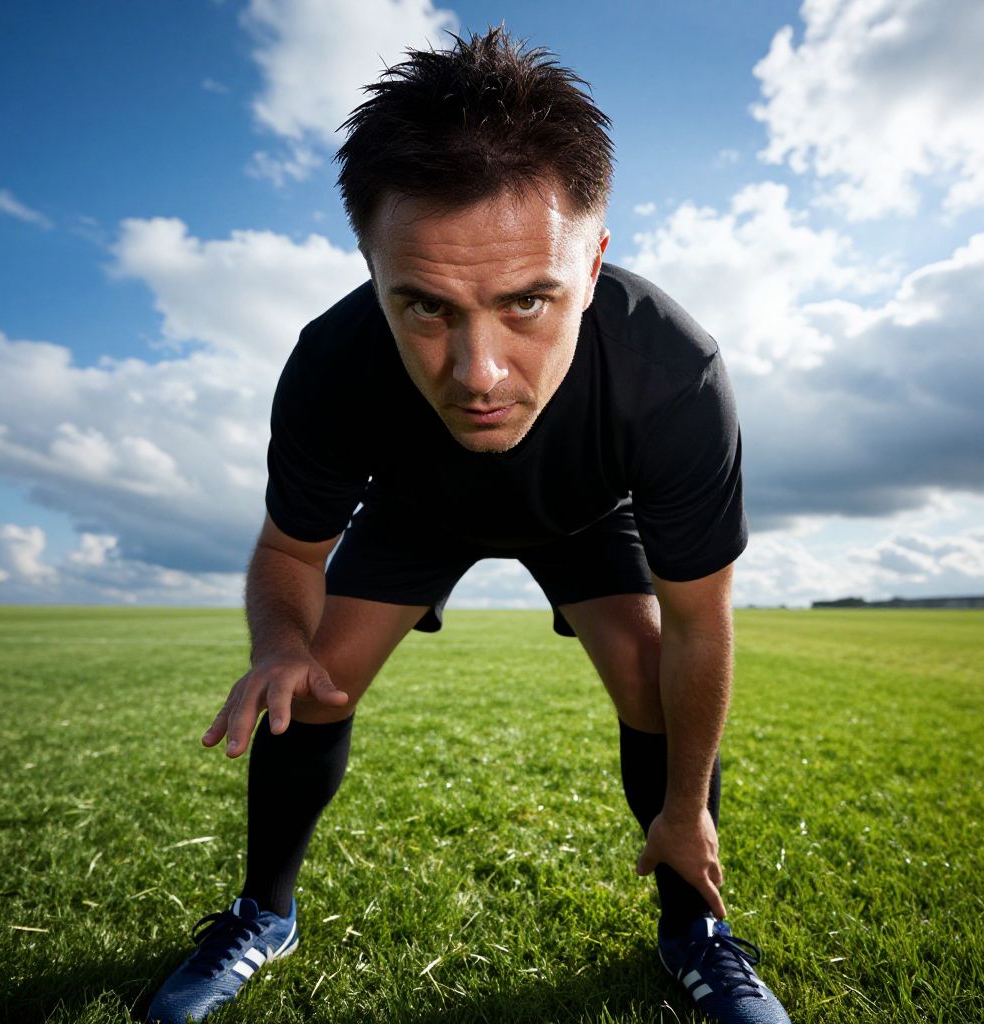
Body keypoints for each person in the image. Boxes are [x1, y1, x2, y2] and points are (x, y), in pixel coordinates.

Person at [147, 28, 791, 1024]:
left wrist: (681, 807)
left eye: (529, 300)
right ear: (371, 265)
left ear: (594, 260)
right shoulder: (331, 363)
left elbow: (702, 628)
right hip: (416, 510)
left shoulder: (672, 375)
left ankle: (693, 928)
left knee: (651, 669)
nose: (478, 372)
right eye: (425, 306)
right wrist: (277, 642)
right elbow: (287, 553)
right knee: (314, 681)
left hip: (583, 514)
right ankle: (261, 911)